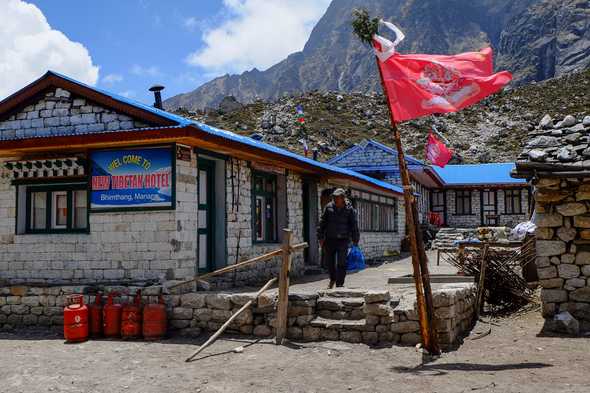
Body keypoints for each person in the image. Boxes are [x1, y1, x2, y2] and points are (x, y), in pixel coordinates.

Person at [317, 188, 360, 289]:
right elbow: (322, 223)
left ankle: (339, 283)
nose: (335, 199)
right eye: (334, 197)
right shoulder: (329, 207)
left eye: (337, 198)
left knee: (341, 262)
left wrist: (355, 239)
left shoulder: (349, 209)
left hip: (343, 239)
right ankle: (332, 279)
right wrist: (320, 237)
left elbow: (354, 225)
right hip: (330, 239)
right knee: (330, 263)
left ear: (343, 198)